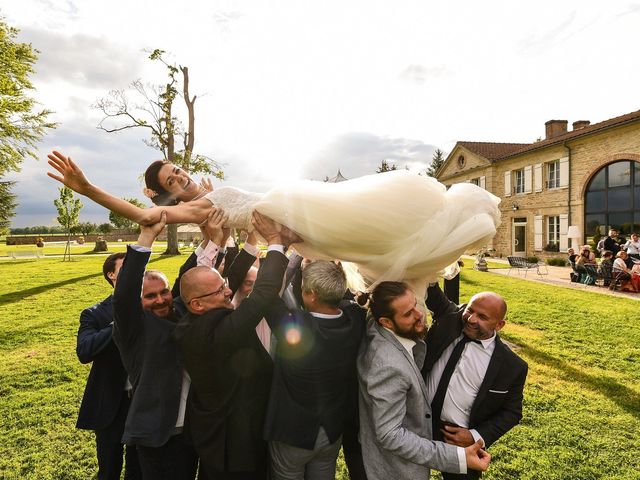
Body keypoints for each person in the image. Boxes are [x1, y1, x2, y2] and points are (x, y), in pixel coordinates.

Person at [46, 150, 501, 288]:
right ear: (167, 191)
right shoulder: (197, 209)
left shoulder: (207, 191)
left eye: (177, 167)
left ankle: (434, 230)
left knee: (374, 220)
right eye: (171, 177)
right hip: (297, 224)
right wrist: (88, 189)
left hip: (299, 216)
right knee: (371, 237)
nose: (179, 174)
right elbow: (145, 214)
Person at [173, 211, 295, 480]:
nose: (228, 291)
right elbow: (262, 295)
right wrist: (274, 241)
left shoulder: (189, 321)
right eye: (220, 291)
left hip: (211, 436)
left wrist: (236, 241)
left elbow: (227, 281)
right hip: (236, 444)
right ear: (198, 304)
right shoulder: (219, 334)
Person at [357, 281, 491, 480]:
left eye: (415, 304)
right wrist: (459, 458)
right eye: (408, 313)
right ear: (386, 322)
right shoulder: (388, 367)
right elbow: (389, 435)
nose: (419, 314)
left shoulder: (376, 323)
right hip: (395, 470)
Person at [112, 212, 198, 480]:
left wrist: (215, 238)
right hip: (159, 435)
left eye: (164, 292)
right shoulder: (132, 328)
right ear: (138, 302)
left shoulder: (179, 313)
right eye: (150, 296)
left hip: (191, 431)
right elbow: (124, 295)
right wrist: (147, 237)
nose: (161, 299)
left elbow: (192, 281)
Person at [262, 260, 367, 480]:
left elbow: (267, 291)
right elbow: (348, 303)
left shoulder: (295, 325)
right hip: (330, 431)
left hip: (292, 433)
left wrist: (290, 255)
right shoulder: (355, 319)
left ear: (311, 295)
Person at [422, 282, 528, 480]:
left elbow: (512, 412)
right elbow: (431, 286)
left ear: (499, 325)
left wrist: (475, 436)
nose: (471, 319)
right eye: (470, 310)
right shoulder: (451, 319)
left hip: (457, 437)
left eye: (482, 317)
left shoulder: (512, 366)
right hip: (416, 422)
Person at [76, 252, 141, 480]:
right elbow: (84, 351)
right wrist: (119, 322)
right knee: (109, 467)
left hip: (143, 402)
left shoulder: (150, 304)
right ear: (111, 275)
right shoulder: (94, 313)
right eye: (125, 268)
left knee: (138, 467)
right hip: (110, 403)